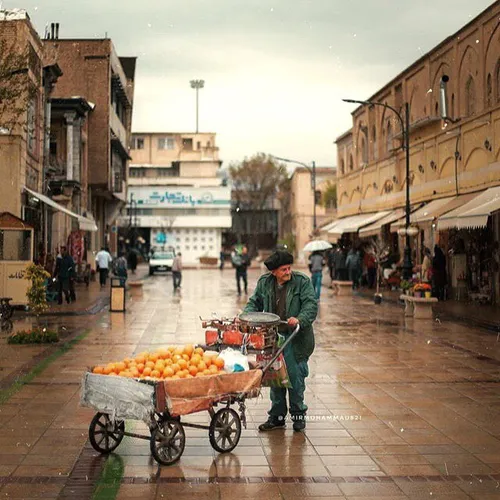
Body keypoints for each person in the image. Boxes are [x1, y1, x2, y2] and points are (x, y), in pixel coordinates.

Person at [244, 250, 318, 432]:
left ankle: (298, 416)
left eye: (289, 268)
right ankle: (276, 417)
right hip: (274, 338)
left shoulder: (302, 282)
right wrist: (245, 316)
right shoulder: (265, 283)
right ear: (274, 272)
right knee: (275, 378)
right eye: (283, 270)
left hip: (295, 338)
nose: (288, 272)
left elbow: (311, 304)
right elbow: (254, 302)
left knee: (295, 379)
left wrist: (299, 318)